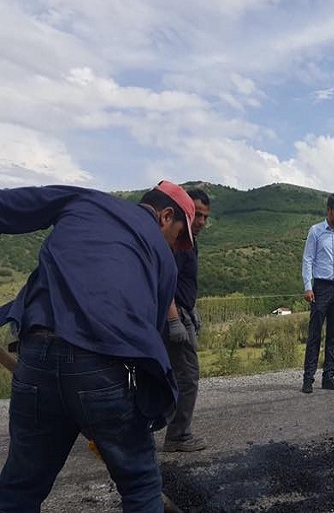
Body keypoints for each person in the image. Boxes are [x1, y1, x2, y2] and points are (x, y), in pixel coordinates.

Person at [0, 180, 195, 512]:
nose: (178, 247)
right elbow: (148, 341)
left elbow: (10, 206)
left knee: (19, 489)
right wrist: (132, 417)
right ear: (165, 216)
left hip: (35, 358)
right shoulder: (161, 256)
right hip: (104, 368)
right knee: (141, 486)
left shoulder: (85, 200)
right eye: (180, 236)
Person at [162, 188, 211, 453]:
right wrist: (174, 319)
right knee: (188, 375)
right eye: (197, 215)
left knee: (169, 374)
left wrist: (193, 310)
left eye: (205, 217)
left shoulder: (191, 241)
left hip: (184, 311)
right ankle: (178, 436)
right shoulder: (177, 241)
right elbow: (166, 280)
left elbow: (184, 281)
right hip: (174, 315)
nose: (201, 221)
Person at [300, 193, 334, 394]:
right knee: (315, 333)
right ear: (329, 210)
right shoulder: (315, 232)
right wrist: (307, 286)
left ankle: (328, 377)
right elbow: (307, 259)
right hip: (321, 287)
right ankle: (308, 379)